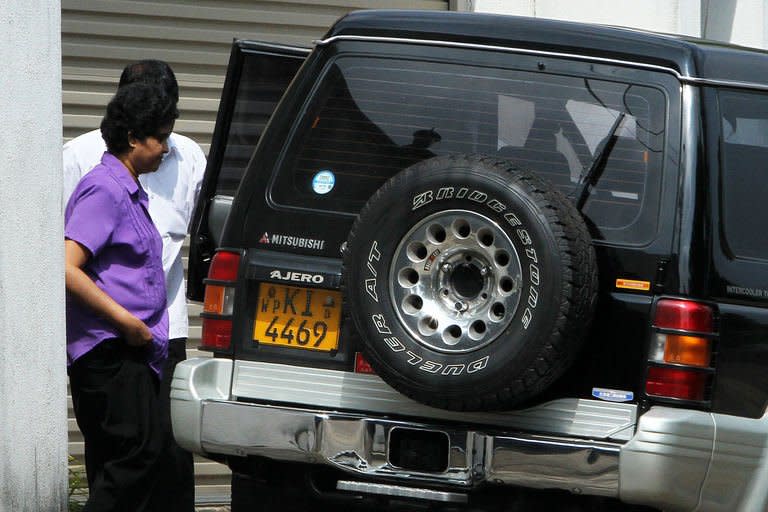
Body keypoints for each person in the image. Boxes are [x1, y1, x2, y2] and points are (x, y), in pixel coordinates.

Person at [63, 60, 205, 511]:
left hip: (145, 341)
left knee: (158, 452)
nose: (166, 148)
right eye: (158, 138)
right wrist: (128, 323)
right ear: (132, 137)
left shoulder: (130, 186)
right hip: (112, 344)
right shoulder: (102, 187)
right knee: (133, 455)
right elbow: (64, 265)